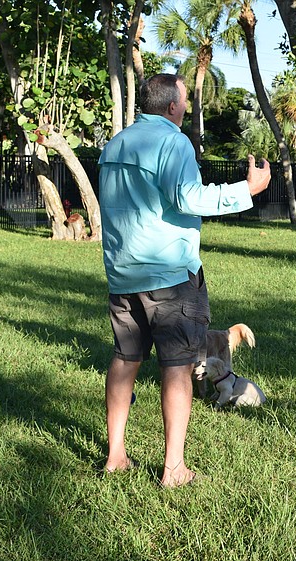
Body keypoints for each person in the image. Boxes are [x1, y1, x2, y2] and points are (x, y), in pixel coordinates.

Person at [98, 73, 271, 487]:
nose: (187, 106)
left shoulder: (116, 144)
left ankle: (115, 456)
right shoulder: (173, 142)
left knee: (125, 359)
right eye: (185, 100)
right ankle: (173, 468)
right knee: (177, 366)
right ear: (173, 106)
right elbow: (188, 197)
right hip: (170, 276)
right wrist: (247, 190)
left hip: (123, 273)